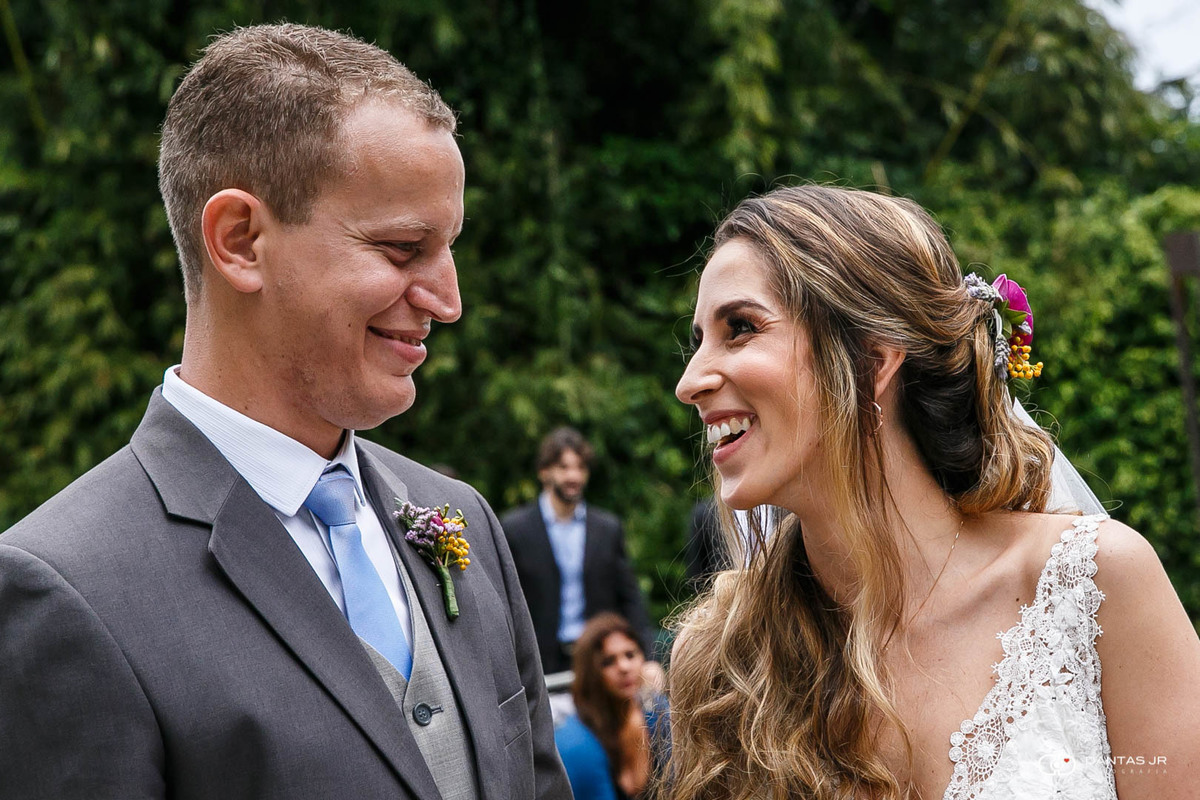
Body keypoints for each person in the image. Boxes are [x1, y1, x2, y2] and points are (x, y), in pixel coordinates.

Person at [0, 24, 570, 800]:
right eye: (404, 249)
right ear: (240, 241)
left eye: (450, 248)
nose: (449, 300)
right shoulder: (63, 590)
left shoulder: (457, 515)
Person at [670, 185, 1200, 800]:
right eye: (699, 338)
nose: (690, 381)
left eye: (739, 328)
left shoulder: (1090, 588)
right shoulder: (721, 667)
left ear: (873, 358)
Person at [501, 427, 654, 674]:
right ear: (544, 472)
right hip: (539, 661)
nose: (573, 476)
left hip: (599, 658)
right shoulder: (515, 529)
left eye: (580, 468)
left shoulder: (607, 529)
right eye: (563, 467)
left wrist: (649, 657)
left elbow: (630, 597)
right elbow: (505, 603)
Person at [554, 613, 669, 800]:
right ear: (590, 672)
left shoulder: (658, 713)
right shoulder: (575, 740)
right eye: (608, 662)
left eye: (630, 655)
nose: (624, 667)